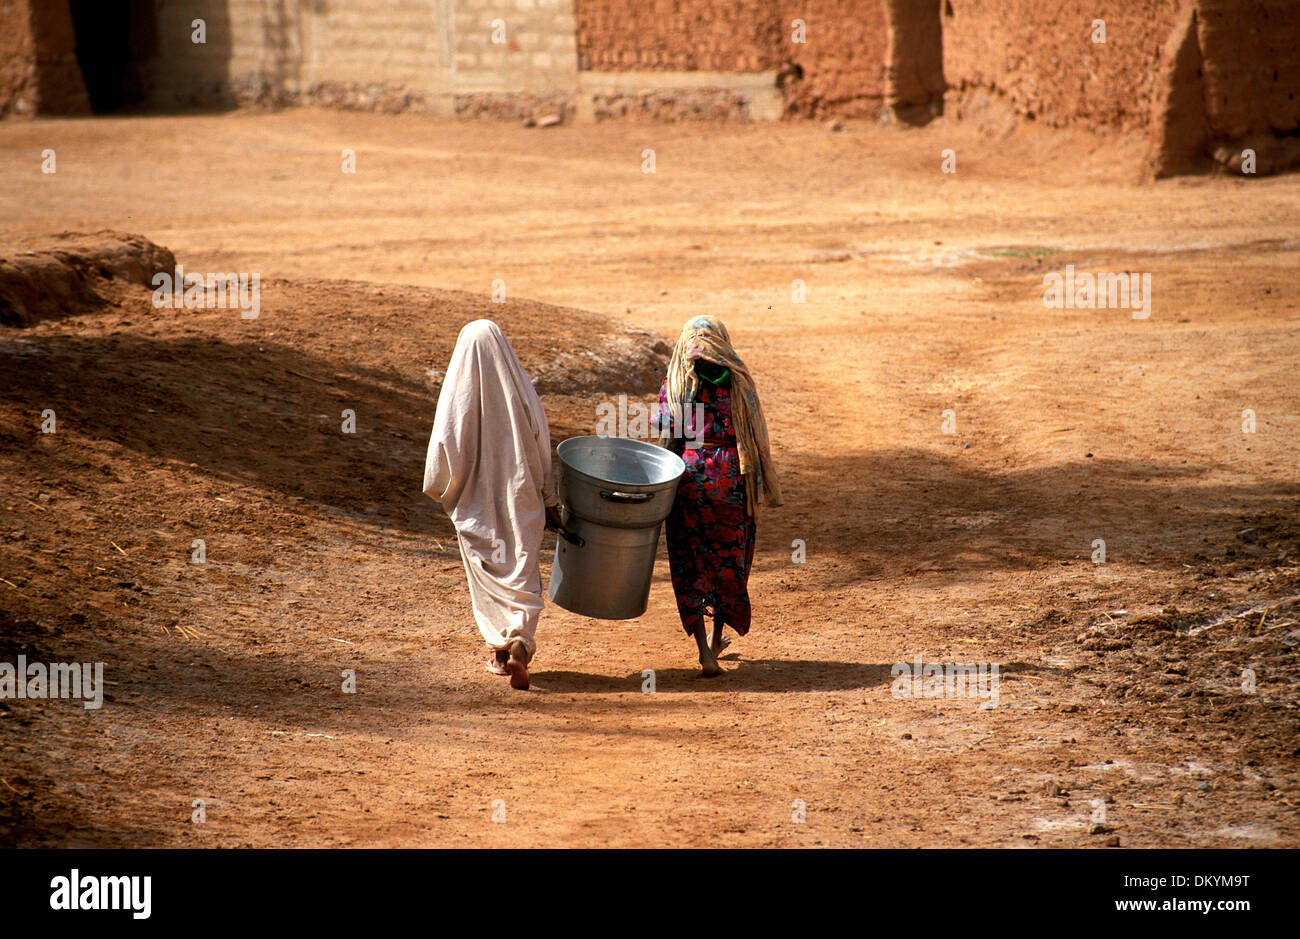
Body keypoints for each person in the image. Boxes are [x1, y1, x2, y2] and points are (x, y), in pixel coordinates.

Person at [422, 319, 562, 690]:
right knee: (521, 572)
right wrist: (549, 499)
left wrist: (441, 487)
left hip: (475, 503)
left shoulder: (458, 392)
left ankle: (498, 656)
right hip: (521, 496)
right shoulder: (521, 390)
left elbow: (443, 443)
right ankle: (520, 647)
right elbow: (541, 442)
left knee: (486, 575)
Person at [656, 316, 782, 676]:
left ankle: (704, 653)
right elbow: (754, 433)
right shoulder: (739, 380)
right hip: (732, 478)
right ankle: (716, 638)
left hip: (689, 478)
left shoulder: (679, 379)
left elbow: (669, 441)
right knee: (728, 561)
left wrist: (659, 481)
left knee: (689, 561)